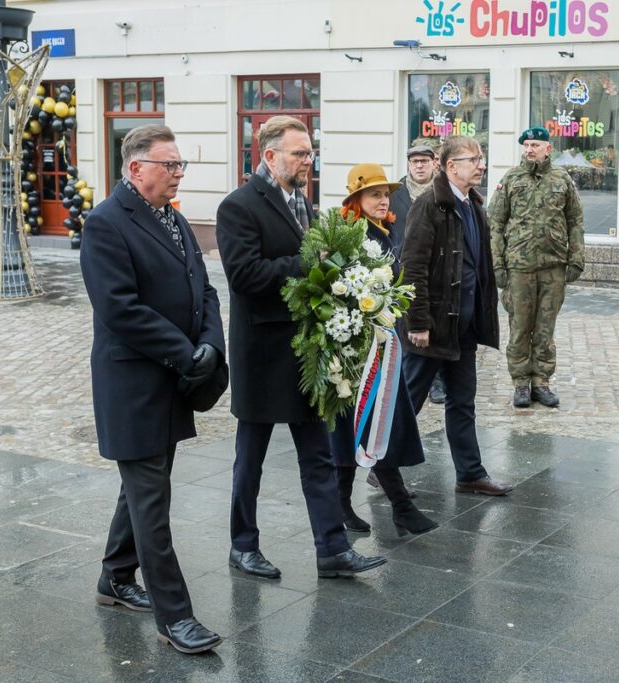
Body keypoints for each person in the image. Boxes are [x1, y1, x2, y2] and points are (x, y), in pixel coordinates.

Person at [216, 115, 387, 579]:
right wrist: (312, 262)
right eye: (299, 153)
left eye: (310, 153)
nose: (307, 161)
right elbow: (245, 276)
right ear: (269, 156)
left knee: (317, 455)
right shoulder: (238, 206)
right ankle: (243, 545)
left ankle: (332, 549)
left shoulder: (303, 204)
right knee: (249, 461)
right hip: (262, 354)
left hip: (306, 353)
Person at [80, 124, 224, 654]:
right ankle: (174, 617)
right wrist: (187, 352)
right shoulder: (105, 224)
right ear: (137, 168)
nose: (178, 173)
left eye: (181, 165)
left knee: (145, 482)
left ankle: (115, 577)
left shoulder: (175, 218)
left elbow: (202, 287)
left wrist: (210, 344)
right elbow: (120, 309)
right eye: (171, 165)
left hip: (173, 377)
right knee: (151, 499)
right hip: (133, 383)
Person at [401, 135, 513, 496]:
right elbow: (412, 266)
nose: (480, 165)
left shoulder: (474, 205)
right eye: (473, 159)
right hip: (431, 328)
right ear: (451, 166)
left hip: (462, 327)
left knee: (462, 402)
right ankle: (381, 467)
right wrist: (418, 321)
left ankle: (469, 474)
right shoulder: (429, 204)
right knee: (408, 401)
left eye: (481, 159)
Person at [330, 163, 437, 536]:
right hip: (360, 352)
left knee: (367, 426)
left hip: (383, 344)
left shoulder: (385, 231)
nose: (383, 199)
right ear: (356, 200)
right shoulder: (352, 236)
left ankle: (346, 504)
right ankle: (399, 507)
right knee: (371, 424)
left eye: (386, 193)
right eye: (374, 193)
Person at [488, 126, 584, 409]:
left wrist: (577, 258)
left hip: (553, 266)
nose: (529, 150)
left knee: (545, 328)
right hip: (519, 266)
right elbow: (495, 223)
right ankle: (520, 383)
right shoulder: (511, 178)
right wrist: (498, 264)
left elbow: (575, 221)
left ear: (548, 149)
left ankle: (541, 381)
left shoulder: (562, 179)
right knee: (519, 326)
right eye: (526, 145)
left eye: (535, 145)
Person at [389, 140, 448, 408]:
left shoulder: (443, 192)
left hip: (435, 271)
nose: (420, 165)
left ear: (435, 162)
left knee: (431, 323)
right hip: (399, 270)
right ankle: (402, 376)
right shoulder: (395, 195)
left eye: (425, 160)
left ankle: (436, 380)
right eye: (415, 161)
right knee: (403, 326)